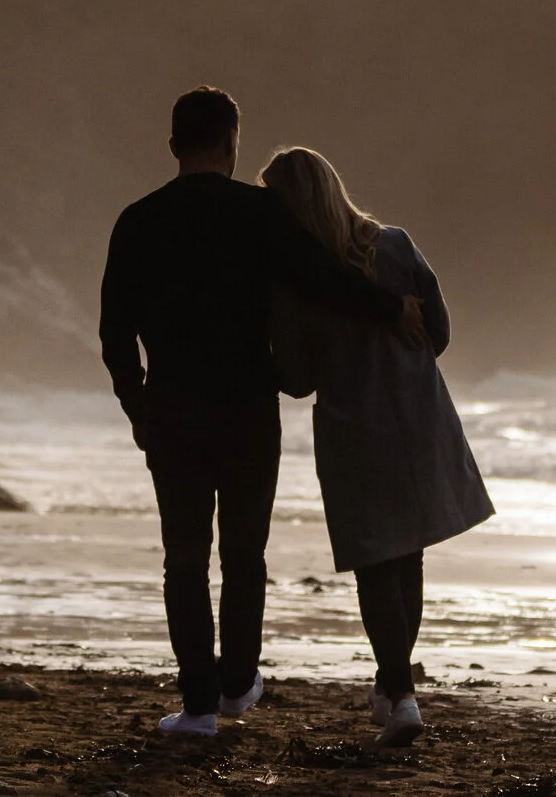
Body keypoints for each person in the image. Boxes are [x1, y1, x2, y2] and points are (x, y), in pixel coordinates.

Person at [100, 89, 425, 738]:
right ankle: (237, 681)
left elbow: (114, 333)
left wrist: (138, 406)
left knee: (185, 558)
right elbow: (319, 278)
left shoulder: (136, 220)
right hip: (248, 411)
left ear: (173, 147)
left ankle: (197, 709)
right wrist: (388, 307)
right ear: (231, 143)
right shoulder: (259, 211)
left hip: (173, 411)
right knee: (245, 554)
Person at [262, 145, 494, 749]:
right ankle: (393, 692)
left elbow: (295, 378)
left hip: (353, 425)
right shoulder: (395, 244)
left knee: (375, 565)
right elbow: (439, 331)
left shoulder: (296, 277)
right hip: (418, 416)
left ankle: (401, 693)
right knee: (407, 556)